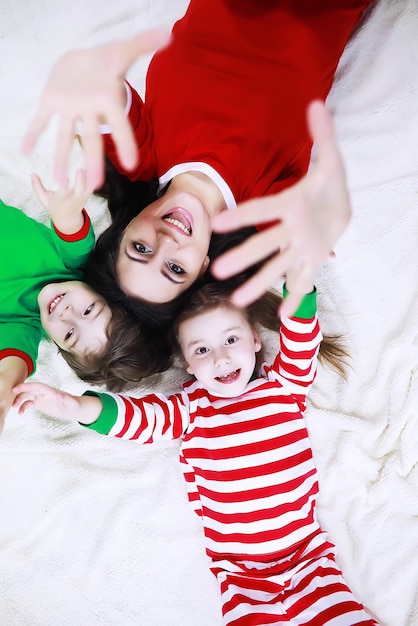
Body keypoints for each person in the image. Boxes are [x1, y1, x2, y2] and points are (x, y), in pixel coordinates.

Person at [13, 282, 378, 625]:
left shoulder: (283, 386)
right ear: (188, 364)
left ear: (254, 340)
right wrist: (76, 407)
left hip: (306, 555)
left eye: (230, 339)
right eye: (201, 349)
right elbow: (140, 419)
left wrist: (299, 280)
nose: (220, 359)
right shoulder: (190, 409)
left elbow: (301, 339)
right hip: (241, 574)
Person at [22, 0, 375, 319]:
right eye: (175, 268)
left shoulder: (143, 157)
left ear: (124, 229)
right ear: (203, 266)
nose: (167, 241)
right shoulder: (264, 202)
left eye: (140, 247)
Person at [0, 172, 166, 432]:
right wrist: (65, 213)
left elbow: (14, 364)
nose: (67, 314)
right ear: (103, 292)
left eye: (68, 334)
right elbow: (73, 234)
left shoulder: (26, 324)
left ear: (57, 343)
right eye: (89, 310)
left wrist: (4, 391)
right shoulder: (73, 265)